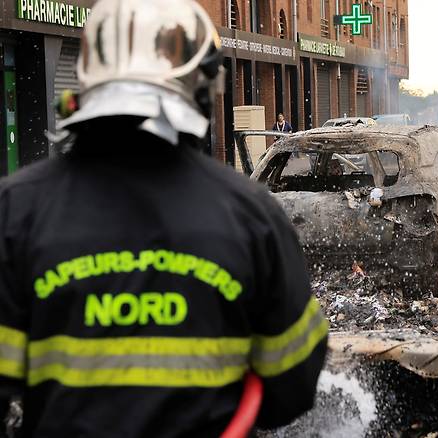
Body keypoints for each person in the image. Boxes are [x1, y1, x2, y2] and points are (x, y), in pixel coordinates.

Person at [0, 1, 328, 437]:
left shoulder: (15, 211)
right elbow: (293, 385)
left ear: (86, 77)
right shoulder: (252, 216)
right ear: (202, 84)